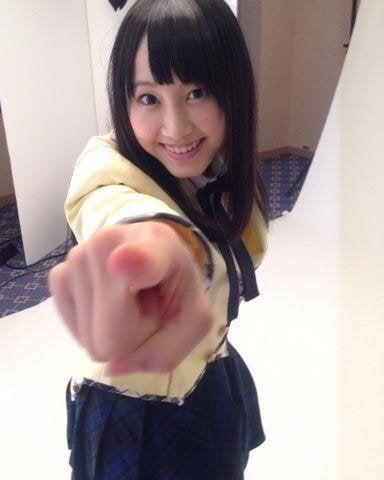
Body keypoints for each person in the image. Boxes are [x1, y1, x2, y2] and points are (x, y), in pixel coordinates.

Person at [48, 0, 270, 478]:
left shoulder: (220, 171)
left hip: (208, 368)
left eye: (197, 92)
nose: (175, 127)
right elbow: (118, 214)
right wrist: (160, 248)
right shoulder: (108, 171)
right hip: (133, 408)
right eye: (149, 98)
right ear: (124, 101)